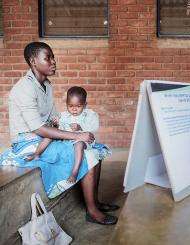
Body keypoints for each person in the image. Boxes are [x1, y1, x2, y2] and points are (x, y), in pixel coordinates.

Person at [0, 42, 119, 225]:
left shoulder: (46, 85)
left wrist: (74, 128)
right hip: (28, 142)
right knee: (85, 151)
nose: (53, 61)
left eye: (53, 57)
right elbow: (38, 128)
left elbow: (54, 119)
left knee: (96, 148)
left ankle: (94, 201)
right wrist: (77, 136)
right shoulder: (24, 88)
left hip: (45, 137)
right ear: (33, 61)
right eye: (48, 57)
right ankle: (92, 211)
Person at [27, 86, 111, 184]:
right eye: (71, 106)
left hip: (83, 141)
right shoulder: (63, 115)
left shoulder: (90, 115)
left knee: (78, 144)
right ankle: (36, 154)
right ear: (66, 104)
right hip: (67, 140)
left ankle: (74, 172)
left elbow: (94, 128)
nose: (74, 109)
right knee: (50, 135)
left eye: (78, 106)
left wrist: (81, 127)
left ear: (85, 105)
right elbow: (59, 129)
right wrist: (56, 124)